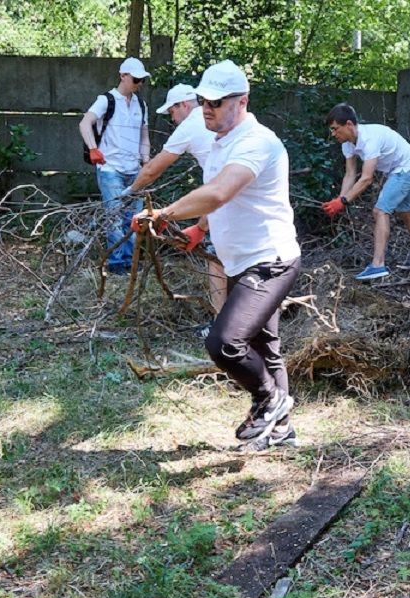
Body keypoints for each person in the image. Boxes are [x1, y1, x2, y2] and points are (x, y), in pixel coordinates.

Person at [131, 60, 301, 450]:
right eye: (203, 100)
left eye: (217, 102)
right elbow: (223, 201)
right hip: (242, 259)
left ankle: (270, 400)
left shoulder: (256, 141)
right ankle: (281, 431)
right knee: (264, 346)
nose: (207, 108)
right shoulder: (223, 142)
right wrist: (199, 228)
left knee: (224, 342)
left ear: (242, 101)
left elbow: (220, 192)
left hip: (270, 260)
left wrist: (165, 213)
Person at [127, 83, 228, 318]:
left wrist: (130, 192)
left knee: (217, 260)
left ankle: (221, 321)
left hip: (228, 198)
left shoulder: (192, 123)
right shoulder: (219, 124)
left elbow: (153, 169)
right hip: (233, 195)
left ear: (184, 105)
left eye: (172, 112)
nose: (172, 119)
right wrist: (202, 226)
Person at [321, 103, 410, 281]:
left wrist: (343, 201)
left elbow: (366, 178)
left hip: (406, 168)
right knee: (404, 211)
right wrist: (340, 199)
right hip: (398, 170)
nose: (333, 134)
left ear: (349, 124)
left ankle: (378, 265)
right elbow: (350, 174)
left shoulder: (370, 139)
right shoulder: (347, 144)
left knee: (380, 210)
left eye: (335, 129)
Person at [79, 56, 151, 274]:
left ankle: (131, 262)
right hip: (111, 169)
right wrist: (93, 148)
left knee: (134, 219)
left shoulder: (141, 104)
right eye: (136, 79)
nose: (139, 84)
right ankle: (118, 264)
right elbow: (85, 123)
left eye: (142, 81)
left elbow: (144, 136)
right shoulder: (106, 100)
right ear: (123, 76)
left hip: (134, 170)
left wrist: (146, 163)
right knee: (113, 217)